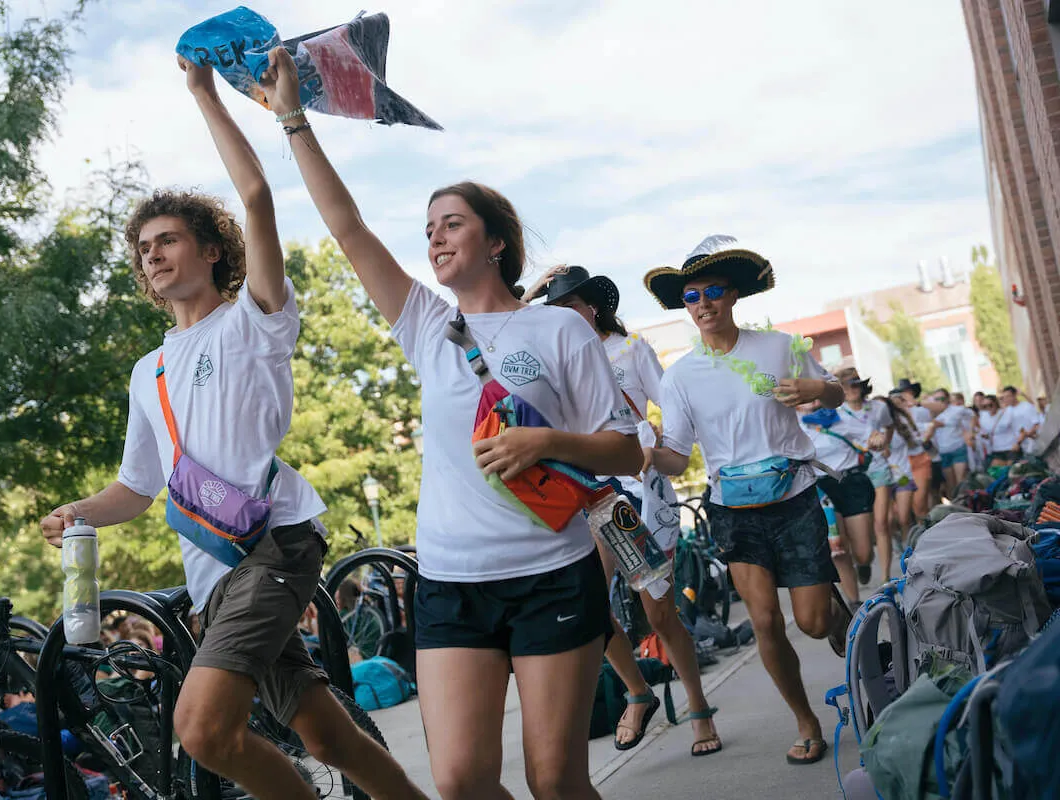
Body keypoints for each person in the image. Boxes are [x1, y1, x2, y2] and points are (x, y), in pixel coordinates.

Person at [259, 47, 643, 800]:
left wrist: (548, 440)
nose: (434, 237)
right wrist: (292, 118)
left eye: (453, 224)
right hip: (448, 581)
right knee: (462, 782)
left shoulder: (560, 332)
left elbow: (628, 451)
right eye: (429, 227)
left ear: (495, 241)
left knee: (555, 781)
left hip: (552, 576)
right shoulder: (426, 325)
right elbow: (347, 228)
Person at [38, 58, 426, 800]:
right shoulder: (147, 371)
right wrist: (76, 513)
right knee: (322, 732)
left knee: (204, 730)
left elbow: (255, 195)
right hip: (211, 574)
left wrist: (203, 94)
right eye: (144, 249)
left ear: (212, 250)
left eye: (168, 240)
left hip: (274, 543)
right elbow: (135, 489)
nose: (152, 255)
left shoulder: (254, 320)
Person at [642, 234, 849, 767]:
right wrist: (640, 452)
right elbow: (675, 456)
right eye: (692, 296)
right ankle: (805, 720)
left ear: (733, 296)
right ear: (684, 307)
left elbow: (837, 391)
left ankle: (833, 608)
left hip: (795, 496)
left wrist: (816, 392)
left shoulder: (781, 345)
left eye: (713, 291)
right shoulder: (680, 375)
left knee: (813, 623)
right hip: (732, 508)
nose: (704, 304)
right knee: (763, 621)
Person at [528, 265, 721, 756]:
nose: (562, 317)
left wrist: (661, 445)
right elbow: (500, 329)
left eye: (569, 306)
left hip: (636, 491)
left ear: (592, 306)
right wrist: (531, 294)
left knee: (658, 612)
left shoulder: (630, 349)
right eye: (555, 310)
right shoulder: (555, 361)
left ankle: (699, 709)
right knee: (587, 605)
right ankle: (638, 691)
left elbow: (669, 402)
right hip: (587, 490)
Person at [797, 396, 876, 606]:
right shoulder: (790, 423)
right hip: (820, 488)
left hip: (851, 483)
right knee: (838, 549)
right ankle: (854, 602)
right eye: (808, 399)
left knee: (863, 552)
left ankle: (864, 563)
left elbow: (871, 434)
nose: (813, 404)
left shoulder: (841, 418)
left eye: (816, 398)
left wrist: (878, 440)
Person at [834, 368, 892, 586]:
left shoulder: (878, 407)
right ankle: (864, 561)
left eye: (855, 384)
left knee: (881, 524)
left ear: (862, 386)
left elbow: (889, 426)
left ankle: (886, 578)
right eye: (846, 385)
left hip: (877, 468)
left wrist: (885, 444)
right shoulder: (836, 412)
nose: (851, 389)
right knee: (863, 538)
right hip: (853, 473)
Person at [879, 395, 919, 571]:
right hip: (883, 478)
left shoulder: (900, 421)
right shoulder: (868, 426)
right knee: (887, 519)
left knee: (903, 517)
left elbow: (915, 441)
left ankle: (908, 548)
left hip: (903, 475)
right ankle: (896, 540)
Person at [894, 379, 934, 519]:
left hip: (919, 461)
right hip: (899, 467)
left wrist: (924, 438)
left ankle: (926, 535)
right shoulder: (887, 422)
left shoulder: (918, 412)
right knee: (903, 512)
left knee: (919, 505)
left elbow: (930, 426)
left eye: (902, 399)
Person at [924, 392, 975, 496]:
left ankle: (964, 502)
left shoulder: (957, 409)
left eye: (941, 398)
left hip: (958, 448)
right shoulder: (930, 414)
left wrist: (971, 432)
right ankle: (955, 506)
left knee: (961, 480)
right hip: (943, 452)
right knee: (950, 484)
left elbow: (972, 415)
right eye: (936, 399)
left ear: (947, 399)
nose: (939, 401)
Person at [988, 386, 1039, 465]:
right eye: (1004, 397)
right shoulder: (1007, 410)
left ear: (1015, 395)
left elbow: (1036, 424)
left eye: (1008, 396)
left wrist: (1027, 434)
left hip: (1032, 443)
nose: (1006, 399)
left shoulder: (1026, 406)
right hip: (1018, 446)